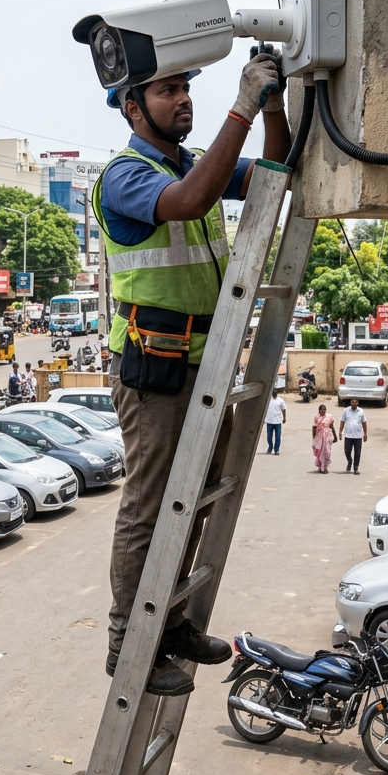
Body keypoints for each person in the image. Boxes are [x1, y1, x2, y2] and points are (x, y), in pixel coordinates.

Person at [91, 49, 290, 696]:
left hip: (204, 361)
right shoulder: (125, 176)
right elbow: (188, 199)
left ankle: (170, 621)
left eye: (186, 89)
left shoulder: (194, 163)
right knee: (148, 507)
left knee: (198, 498)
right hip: (152, 365)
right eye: (168, 90)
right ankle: (127, 645)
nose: (183, 99)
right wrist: (242, 103)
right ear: (131, 106)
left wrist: (274, 104)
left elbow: (276, 171)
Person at [338, 398, 368, 474]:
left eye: (355, 402)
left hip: (358, 436)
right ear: (350, 403)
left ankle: (356, 468)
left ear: (358, 403)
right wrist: (340, 432)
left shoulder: (361, 411)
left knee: (357, 453)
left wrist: (365, 434)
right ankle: (350, 461)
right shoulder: (346, 411)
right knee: (347, 451)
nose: (354, 403)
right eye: (352, 402)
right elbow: (342, 421)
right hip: (348, 435)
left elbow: (364, 423)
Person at [311, 402, 337, 472]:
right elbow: (314, 427)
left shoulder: (329, 417)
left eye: (324, 409)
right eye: (321, 409)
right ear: (319, 410)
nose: (323, 411)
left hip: (327, 436)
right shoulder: (317, 417)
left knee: (327, 451)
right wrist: (314, 437)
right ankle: (322, 467)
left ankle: (325, 466)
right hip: (319, 437)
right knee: (320, 451)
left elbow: (331, 426)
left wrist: (335, 435)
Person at [264, 388, 287, 454]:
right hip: (269, 421)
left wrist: (284, 418)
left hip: (277, 421)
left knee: (278, 436)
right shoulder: (268, 400)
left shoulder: (280, 401)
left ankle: (276, 449)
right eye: (273, 394)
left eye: (275, 395)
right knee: (269, 436)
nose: (274, 396)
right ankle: (270, 447)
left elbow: (284, 409)